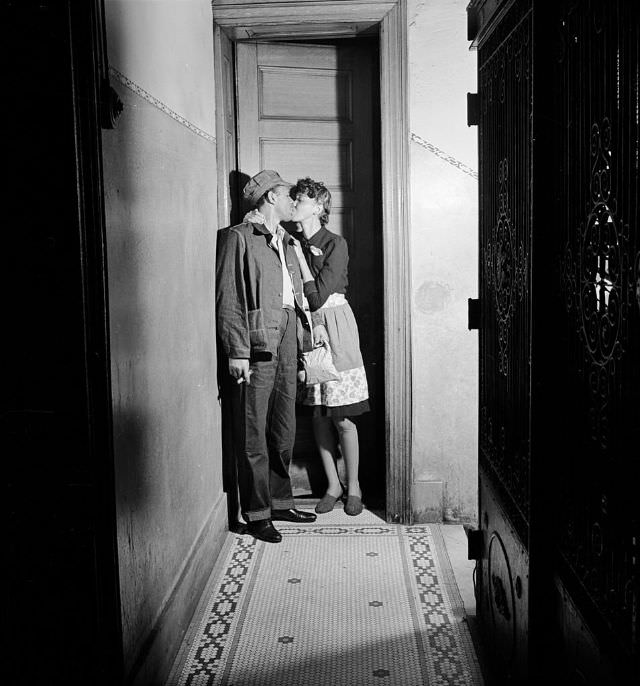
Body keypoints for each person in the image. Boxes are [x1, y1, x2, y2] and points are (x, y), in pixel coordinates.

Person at [216, 170, 318, 543]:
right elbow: (229, 298)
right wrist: (237, 351)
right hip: (257, 342)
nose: (295, 200)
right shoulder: (239, 238)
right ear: (271, 197)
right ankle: (258, 513)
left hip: (288, 336)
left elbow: (295, 297)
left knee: (283, 426)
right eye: (289, 194)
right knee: (253, 431)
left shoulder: (286, 240)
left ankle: (279, 500)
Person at [289, 177, 370, 516]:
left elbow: (318, 295)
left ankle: (354, 487)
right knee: (318, 416)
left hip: (336, 327)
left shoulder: (335, 243)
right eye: (293, 198)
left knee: (343, 418)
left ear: (318, 207)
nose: (294, 203)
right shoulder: (288, 242)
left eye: (301, 199)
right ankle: (332, 485)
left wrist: (300, 258)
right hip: (305, 327)